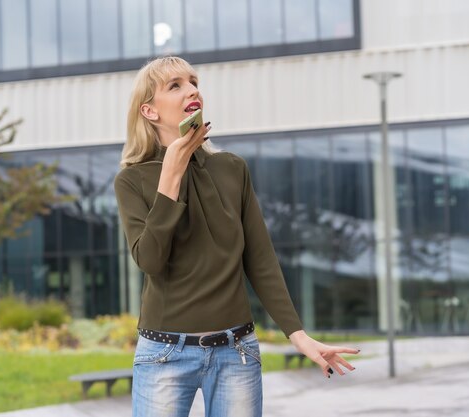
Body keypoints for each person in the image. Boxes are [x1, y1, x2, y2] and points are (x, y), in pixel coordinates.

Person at [114, 56, 360, 417]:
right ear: (149, 111)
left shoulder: (231, 169)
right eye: (175, 85)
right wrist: (171, 174)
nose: (193, 89)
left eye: (193, 81)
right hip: (164, 353)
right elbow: (149, 260)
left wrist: (299, 336)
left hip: (236, 351)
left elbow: (260, 260)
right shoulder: (132, 181)